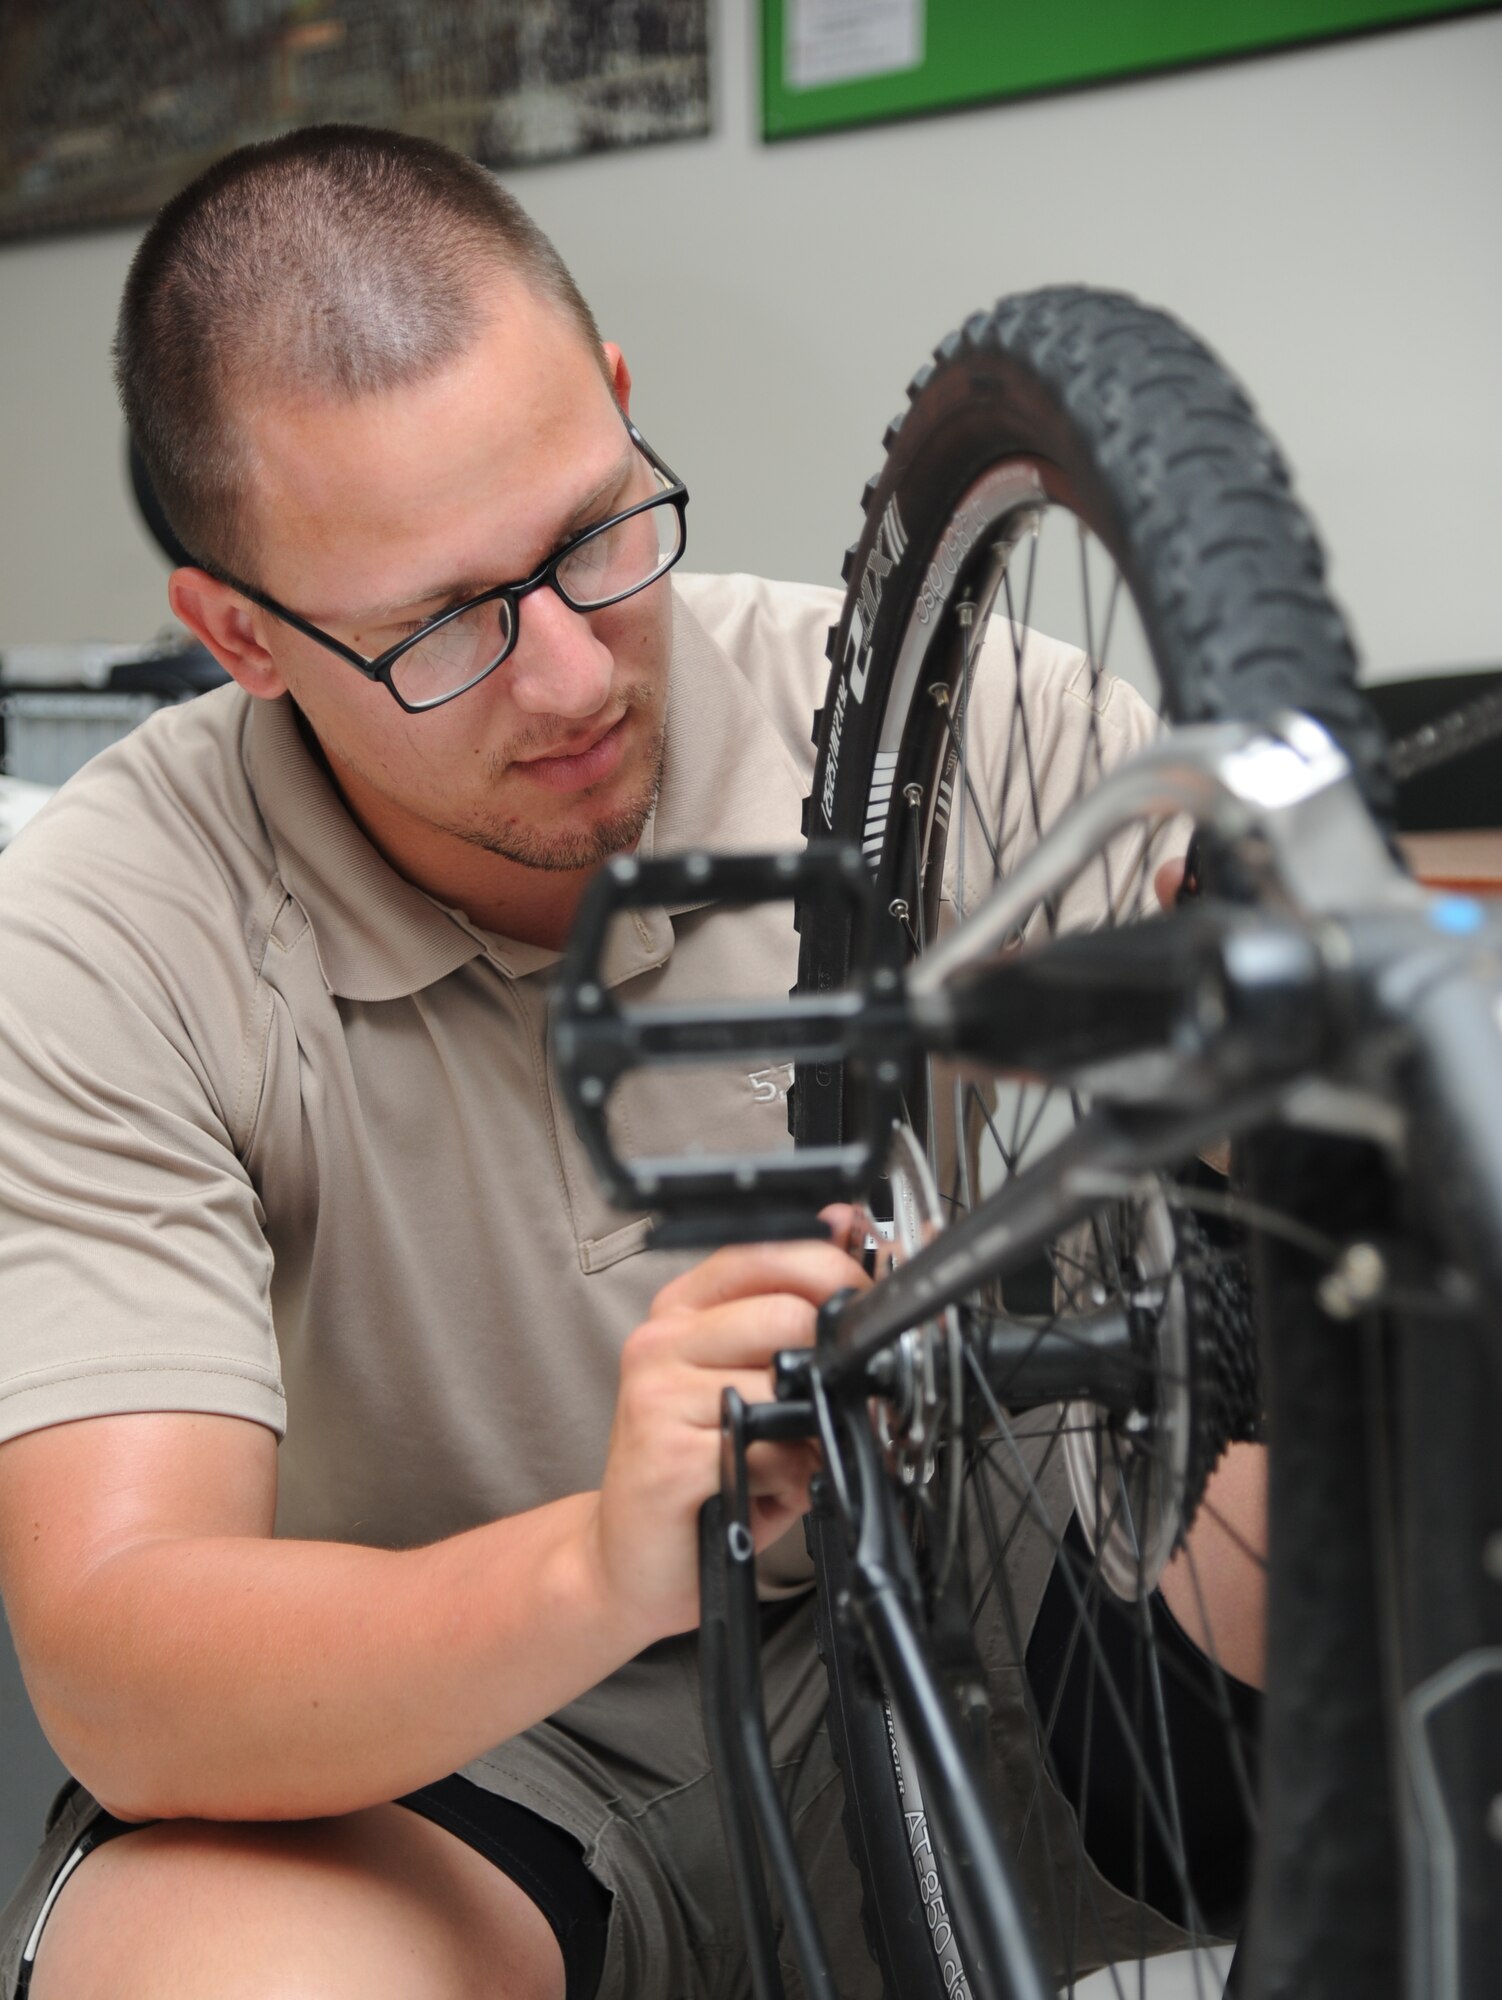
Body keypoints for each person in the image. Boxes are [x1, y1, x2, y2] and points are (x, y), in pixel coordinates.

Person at [0, 126, 1263, 2000]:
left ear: (609, 399)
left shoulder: (951, 702)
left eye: (594, 535)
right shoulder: (100, 926)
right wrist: (606, 1556)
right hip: (486, 1749)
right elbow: (124, 1665)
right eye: (439, 627)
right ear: (241, 636)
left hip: (999, 1646)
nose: (577, 680)